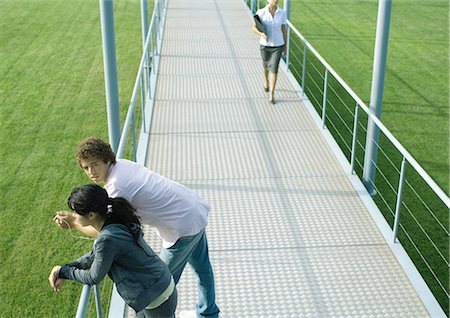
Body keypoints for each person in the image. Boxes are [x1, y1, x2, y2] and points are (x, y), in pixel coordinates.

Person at [54, 137, 220, 318]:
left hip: (182, 227)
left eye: (94, 165)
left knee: (158, 287)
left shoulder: (116, 187)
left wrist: (74, 223)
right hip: (192, 209)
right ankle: (208, 313)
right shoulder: (122, 166)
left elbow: (105, 232)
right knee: (202, 270)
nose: (91, 172)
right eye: (86, 168)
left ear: (107, 160)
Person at [49, 184, 178, 318]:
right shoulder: (113, 221)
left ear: (91, 215)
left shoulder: (107, 239)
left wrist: (65, 271)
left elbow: (93, 277)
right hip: (158, 288)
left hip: (157, 297)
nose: (74, 216)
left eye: (76, 213)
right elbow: (95, 256)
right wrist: (63, 269)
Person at [252, 0, 287, 104]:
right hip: (265, 45)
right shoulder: (261, 12)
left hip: (278, 45)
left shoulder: (282, 13)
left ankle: (272, 93)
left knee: (274, 68)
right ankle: (266, 81)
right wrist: (262, 34)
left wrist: (285, 46)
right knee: (266, 66)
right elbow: (253, 28)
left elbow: (284, 30)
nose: (275, 1)